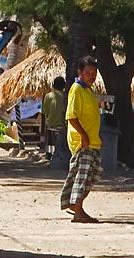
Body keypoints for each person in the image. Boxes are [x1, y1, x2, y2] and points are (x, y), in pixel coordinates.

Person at [60, 56, 102, 223]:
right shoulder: (77, 89)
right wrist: (84, 136)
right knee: (82, 176)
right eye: (88, 73)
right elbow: (71, 117)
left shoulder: (88, 90)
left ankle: (75, 204)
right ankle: (78, 211)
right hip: (82, 141)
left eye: (94, 73)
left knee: (93, 174)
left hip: (92, 140)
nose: (91, 76)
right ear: (80, 72)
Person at [42, 76, 66, 160]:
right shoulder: (66, 96)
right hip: (64, 125)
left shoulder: (48, 96)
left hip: (51, 124)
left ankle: (49, 153)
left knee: (49, 135)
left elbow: (45, 112)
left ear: (53, 85)